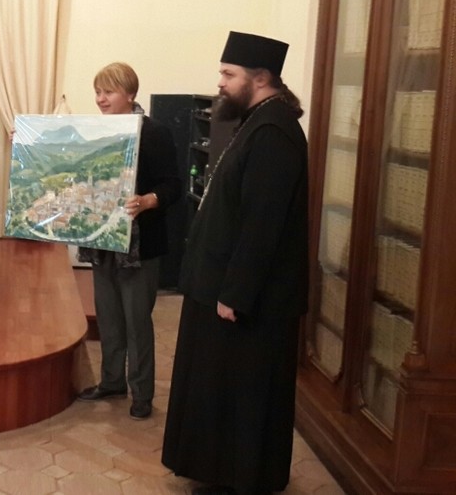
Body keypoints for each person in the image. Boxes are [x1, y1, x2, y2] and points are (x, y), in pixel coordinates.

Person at [161, 32, 309, 495]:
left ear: (261, 77)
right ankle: (217, 471)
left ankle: (238, 479)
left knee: (240, 392)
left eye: (229, 74)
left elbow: (263, 223)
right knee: (217, 385)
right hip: (221, 286)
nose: (220, 82)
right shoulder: (257, 121)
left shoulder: (274, 132)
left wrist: (235, 294)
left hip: (245, 301)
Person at [75, 62, 181, 421]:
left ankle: (142, 392)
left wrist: (149, 200)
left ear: (130, 94)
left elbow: (172, 185)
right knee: (108, 318)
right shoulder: (96, 131)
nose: (100, 99)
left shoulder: (154, 132)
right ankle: (111, 382)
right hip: (103, 241)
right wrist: (29, 143)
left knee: (137, 322)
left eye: (108, 92)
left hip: (140, 245)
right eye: (97, 91)